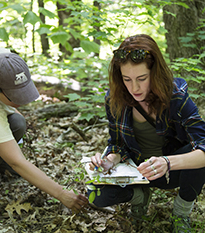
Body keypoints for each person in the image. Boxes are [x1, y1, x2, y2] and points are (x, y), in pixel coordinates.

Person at [88, 34, 205, 232]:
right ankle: (139, 196)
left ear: (155, 73)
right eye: (127, 79)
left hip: (170, 170)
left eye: (142, 79)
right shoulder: (114, 99)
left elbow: (203, 144)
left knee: (197, 159)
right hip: (137, 170)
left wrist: (167, 162)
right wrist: (110, 160)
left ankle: (181, 213)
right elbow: (117, 143)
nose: (134, 88)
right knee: (96, 195)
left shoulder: (176, 96)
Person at [0, 46, 88, 212]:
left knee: (17, 122)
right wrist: (61, 194)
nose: (22, 102)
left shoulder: (4, 59)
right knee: (13, 129)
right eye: (15, 97)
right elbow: (16, 162)